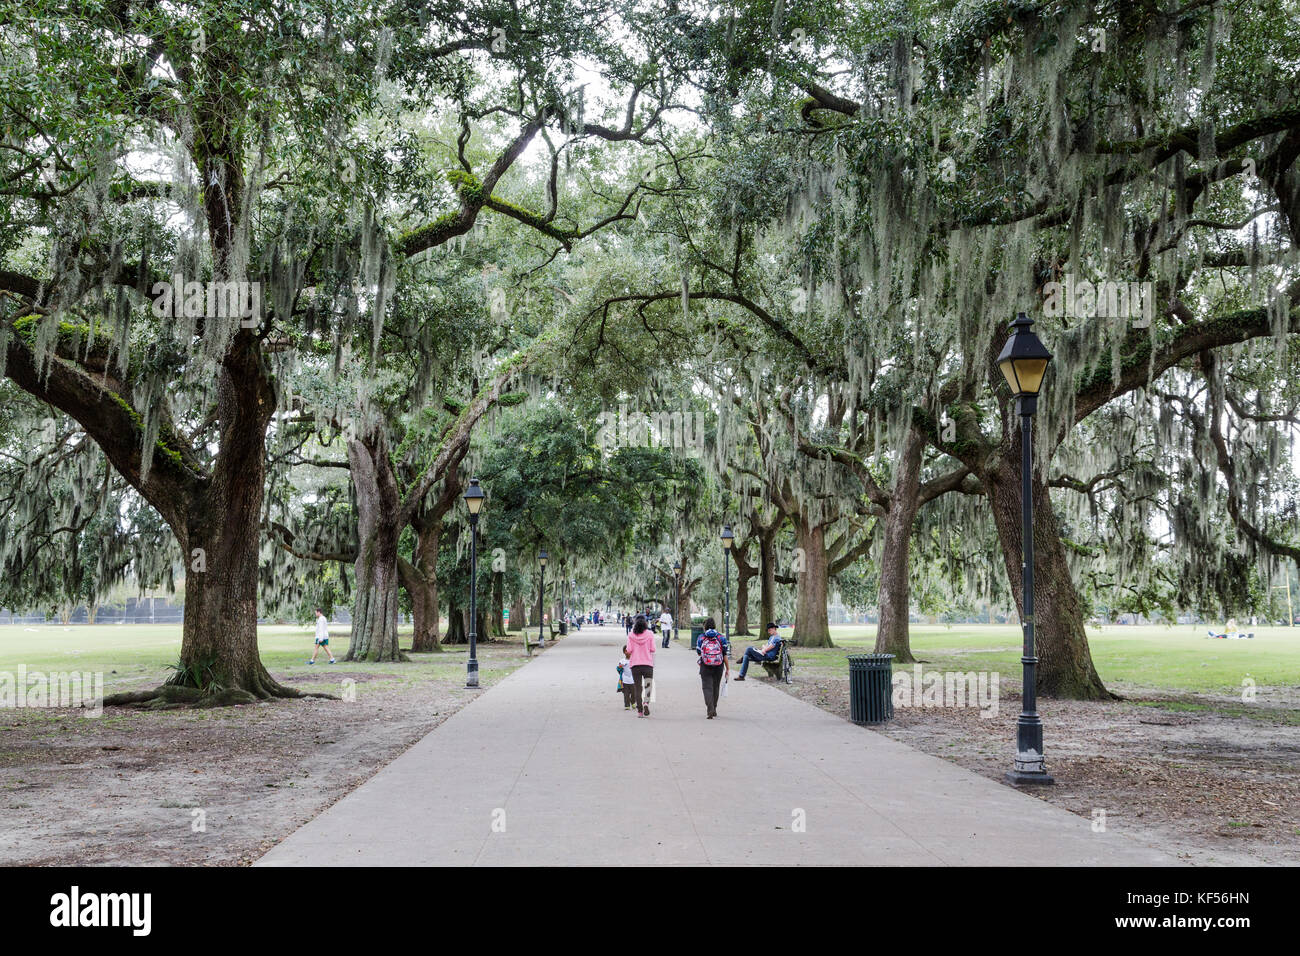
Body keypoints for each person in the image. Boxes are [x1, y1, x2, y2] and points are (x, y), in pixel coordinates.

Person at [695, 617, 730, 718]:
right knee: (715, 686)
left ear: (705, 626)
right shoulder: (721, 637)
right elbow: (724, 654)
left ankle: (709, 708)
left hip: (705, 666)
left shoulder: (701, 637)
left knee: (707, 687)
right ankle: (714, 708)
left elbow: (698, 653)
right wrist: (727, 669)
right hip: (719, 666)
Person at [626, 613, 656, 717]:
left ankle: (640, 712)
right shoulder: (650, 634)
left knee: (638, 688)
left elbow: (629, 650)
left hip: (635, 664)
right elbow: (653, 649)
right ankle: (646, 703)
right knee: (648, 685)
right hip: (648, 664)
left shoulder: (631, 635)